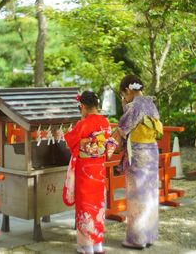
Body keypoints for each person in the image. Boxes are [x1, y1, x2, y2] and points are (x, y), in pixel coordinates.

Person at [63, 91, 117, 254]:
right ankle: (97, 245)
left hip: (85, 171)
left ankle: (86, 247)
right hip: (99, 169)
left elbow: (69, 143)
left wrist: (81, 141)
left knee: (85, 206)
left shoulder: (83, 124)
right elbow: (109, 146)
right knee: (97, 206)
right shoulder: (106, 122)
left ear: (84, 107)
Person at [117, 75, 163, 250]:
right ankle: (149, 236)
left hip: (138, 153)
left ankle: (137, 239)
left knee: (137, 195)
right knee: (149, 194)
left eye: (124, 94)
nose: (125, 98)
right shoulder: (150, 103)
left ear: (128, 90)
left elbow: (122, 129)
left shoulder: (134, 106)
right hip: (151, 151)